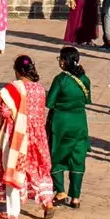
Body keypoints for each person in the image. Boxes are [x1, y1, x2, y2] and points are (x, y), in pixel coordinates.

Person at [0, 54, 56, 219]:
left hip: (20, 136)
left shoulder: (14, 89)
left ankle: (14, 207)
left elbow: (5, 113)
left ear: (18, 71)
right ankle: (48, 202)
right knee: (40, 169)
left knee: (18, 168)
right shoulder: (40, 88)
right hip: (39, 135)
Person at [47, 47, 92, 208]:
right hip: (80, 122)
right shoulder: (84, 79)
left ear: (64, 61)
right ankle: (76, 198)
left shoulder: (60, 79)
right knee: (78, 158)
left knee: (56, 155)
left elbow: (49, 102)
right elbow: (87, 100)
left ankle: (60, 191)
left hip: (60, 123)